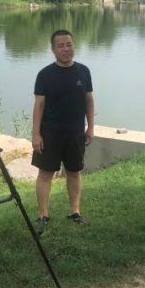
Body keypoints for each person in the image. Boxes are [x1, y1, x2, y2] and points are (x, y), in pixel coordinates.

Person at [31, 29, 95, 235]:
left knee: (74, 173)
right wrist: (36, 134)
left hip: (75, 133)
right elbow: (39, 105)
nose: (66, 49)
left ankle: (75, 211)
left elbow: (89, 100)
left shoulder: (83, 71)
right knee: (45, 175)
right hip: (50, 134)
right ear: (53, 49)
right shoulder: (45, 74)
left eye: (69, 44)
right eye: (61, 45)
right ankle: (43, 214)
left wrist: (90, 127)